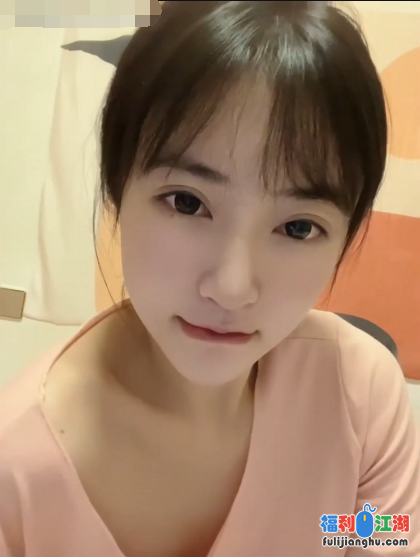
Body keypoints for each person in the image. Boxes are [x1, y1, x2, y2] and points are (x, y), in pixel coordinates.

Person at [0, 2, 419, 556]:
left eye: (298, 227)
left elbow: (372, 537)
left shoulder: (361, 397)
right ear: (118, 187)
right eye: (187, 202)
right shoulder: (16, 473)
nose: (231, 287)